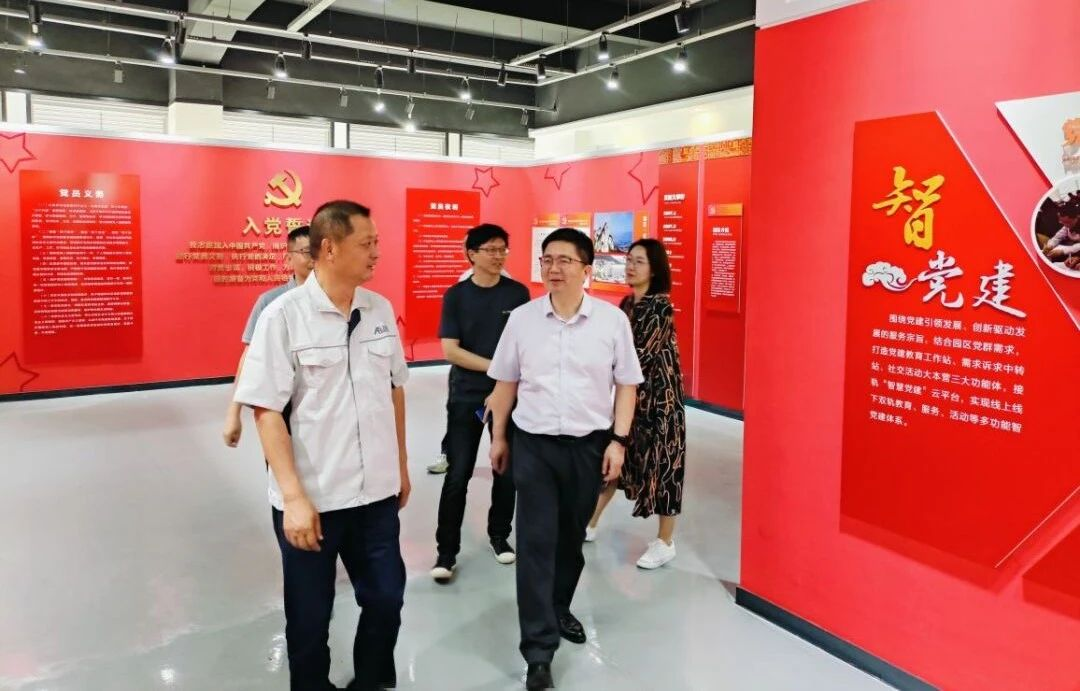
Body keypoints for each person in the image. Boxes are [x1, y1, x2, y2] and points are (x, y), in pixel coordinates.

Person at [234, 200, 409, 691]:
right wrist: (292, 497)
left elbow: (394, 389)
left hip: (375, 496)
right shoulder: (283, 316)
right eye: (366, 243)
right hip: (313, 500)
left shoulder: (379, 309)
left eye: (376, 242)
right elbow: (266, 410)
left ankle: (372, 680)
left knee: (386, 598)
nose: (376, 253)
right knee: (310, 617)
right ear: (329, 249)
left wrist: (400, 465)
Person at [486, 227, 643, 690]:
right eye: (547, 260)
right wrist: (499, 438)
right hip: (533, 445)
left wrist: (618, 441)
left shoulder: (612, 322)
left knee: (570, 540)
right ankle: (538, 651)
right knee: (535, 543)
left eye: (564, 260)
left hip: (588, 447)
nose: (553, 268)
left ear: (586, 269)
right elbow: (505, 384)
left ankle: (557, 607)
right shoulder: (522, 320)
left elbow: (627, 384)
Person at [431, 224, 530, 583]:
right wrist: (496, 368)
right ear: (471, 254)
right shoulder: (456, 296)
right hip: (467, 395)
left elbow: (525, 345)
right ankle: (446, 552)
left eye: (503, 249)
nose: (498, 256)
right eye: (490, 249)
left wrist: (506, 380)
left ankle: (499, 535)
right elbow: (450, 350)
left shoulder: (517, 294)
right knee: (458, 474)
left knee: (506, 470)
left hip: (510, 395)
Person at [585, 238, 687, 570]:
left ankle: (665, 542)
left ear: (654, 269)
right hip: (631, 401)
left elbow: (638, 357)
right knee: (614, 461)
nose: (630, 266)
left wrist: (597, 371)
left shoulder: (660, 307)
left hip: (661, 405)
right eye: (629, 260)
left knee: (665, 469)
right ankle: (589, 522)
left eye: (639, 261)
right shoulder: (627, 304)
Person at [223, 226, 313, 447]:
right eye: (307, 252)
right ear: (288, 259)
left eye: (319, 251)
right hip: (280, 402)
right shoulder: (270, 302)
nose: (314, 258)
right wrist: (234, 412)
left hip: (320, 403)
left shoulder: (336, 300)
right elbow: (249, 357)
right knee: (281, 460)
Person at [426, 264, 514, 474]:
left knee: (501, 422)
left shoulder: (508, 285)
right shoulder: (465, 284)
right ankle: (448, 455)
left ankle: (502, 461)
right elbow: (453, 346)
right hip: (467, 376)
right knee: (460, 420)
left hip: (498, 377)